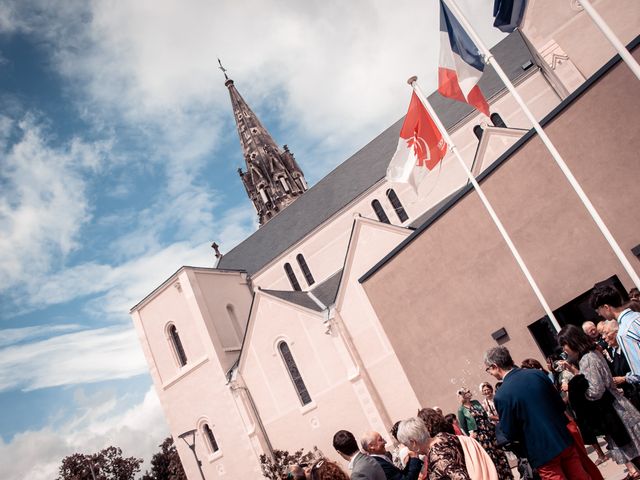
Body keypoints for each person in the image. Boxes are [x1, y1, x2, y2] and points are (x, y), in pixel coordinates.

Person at [484, 345, 590, 479]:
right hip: (562, 439)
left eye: (489, 370)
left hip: (540, 452)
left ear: (495, 366)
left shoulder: (501, 395)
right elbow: (560, 405)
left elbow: (510, 432)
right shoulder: (537, 374)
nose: (490, 374)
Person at [558, 324, 640, 477]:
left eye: (564, 344)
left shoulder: (587, 359)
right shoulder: (593, 353)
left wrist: (578, 392)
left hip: (614, 412)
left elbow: (595, 391)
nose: (564, 349)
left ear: (573, 341)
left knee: (633, 451)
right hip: (617, 407)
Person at [456, 387, 513, 479]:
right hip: (480, 437)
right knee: (490, 457)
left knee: (499, 454)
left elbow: (485, 415)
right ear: (462, 395)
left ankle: (507, 476)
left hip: (489, 432)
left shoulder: (476, 403)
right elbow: (463, 427)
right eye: (466, 392)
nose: (469, 393)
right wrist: (471, 435)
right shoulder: (461, 410)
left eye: (469, 391)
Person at [396, 417, 473, 480]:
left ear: (413, 442)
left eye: (407, 445)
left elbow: (461, 477)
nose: (408, 449)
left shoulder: (438, 457)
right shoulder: (443, 436)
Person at [590, 284, 640, 380]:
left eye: (599, 310)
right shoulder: (637, 316)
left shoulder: (623, 332)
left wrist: (625, 378)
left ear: (606, 307)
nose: (599, 314)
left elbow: (638, 372)